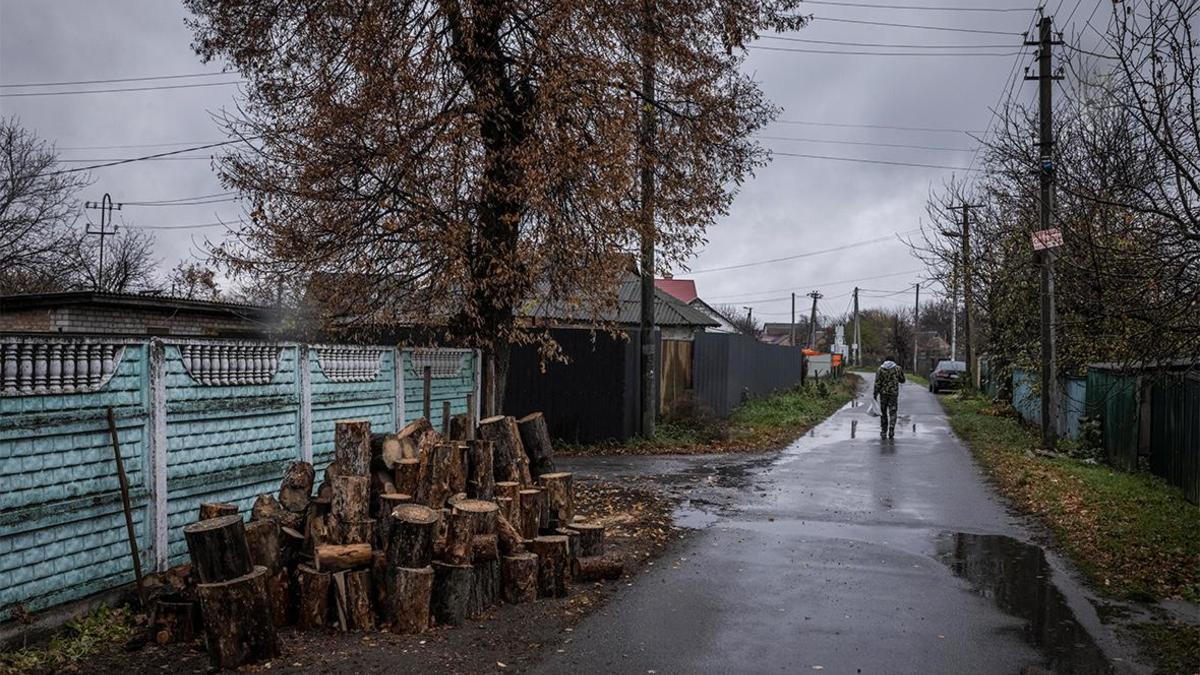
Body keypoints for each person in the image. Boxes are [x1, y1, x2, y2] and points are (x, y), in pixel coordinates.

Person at [873, 355, 906, 438]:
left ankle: (884, 431)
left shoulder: (880, 369)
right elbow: (903, 380)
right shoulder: (898, 369)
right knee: (893, 412)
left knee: (883, 413)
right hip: (893, 394)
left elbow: (877, 383)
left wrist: (875, 394)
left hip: (883, 394)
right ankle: (891, 429)